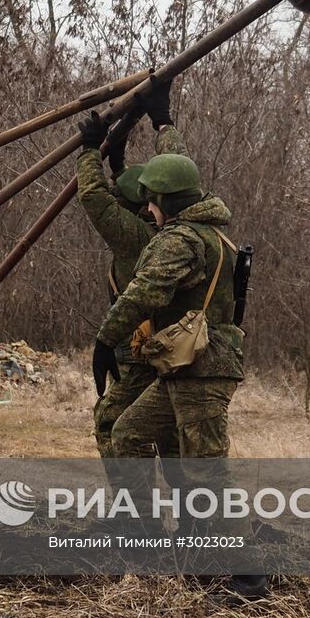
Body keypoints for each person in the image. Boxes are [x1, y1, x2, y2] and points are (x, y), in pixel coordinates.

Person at [92, 153, 267, 599]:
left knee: (207, 470)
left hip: (202, 369)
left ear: (165, 202)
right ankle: (153, 537)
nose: (148, 209)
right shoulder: (213, 236)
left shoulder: (182, 239)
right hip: (185, 367)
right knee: (129, 433)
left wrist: (104, 340)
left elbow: (145, 291)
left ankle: (249, 577)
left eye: (151, 201)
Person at [75, 75, 188, 457]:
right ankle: (179, 514)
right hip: (174, 348)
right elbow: (175, 168)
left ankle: (136, 515)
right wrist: (163, 122)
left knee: (113, 422)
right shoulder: (176, 218)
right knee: (169, 440)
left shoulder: (134, 238)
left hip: (145, 354)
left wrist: (90, 149)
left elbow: (94, 196)